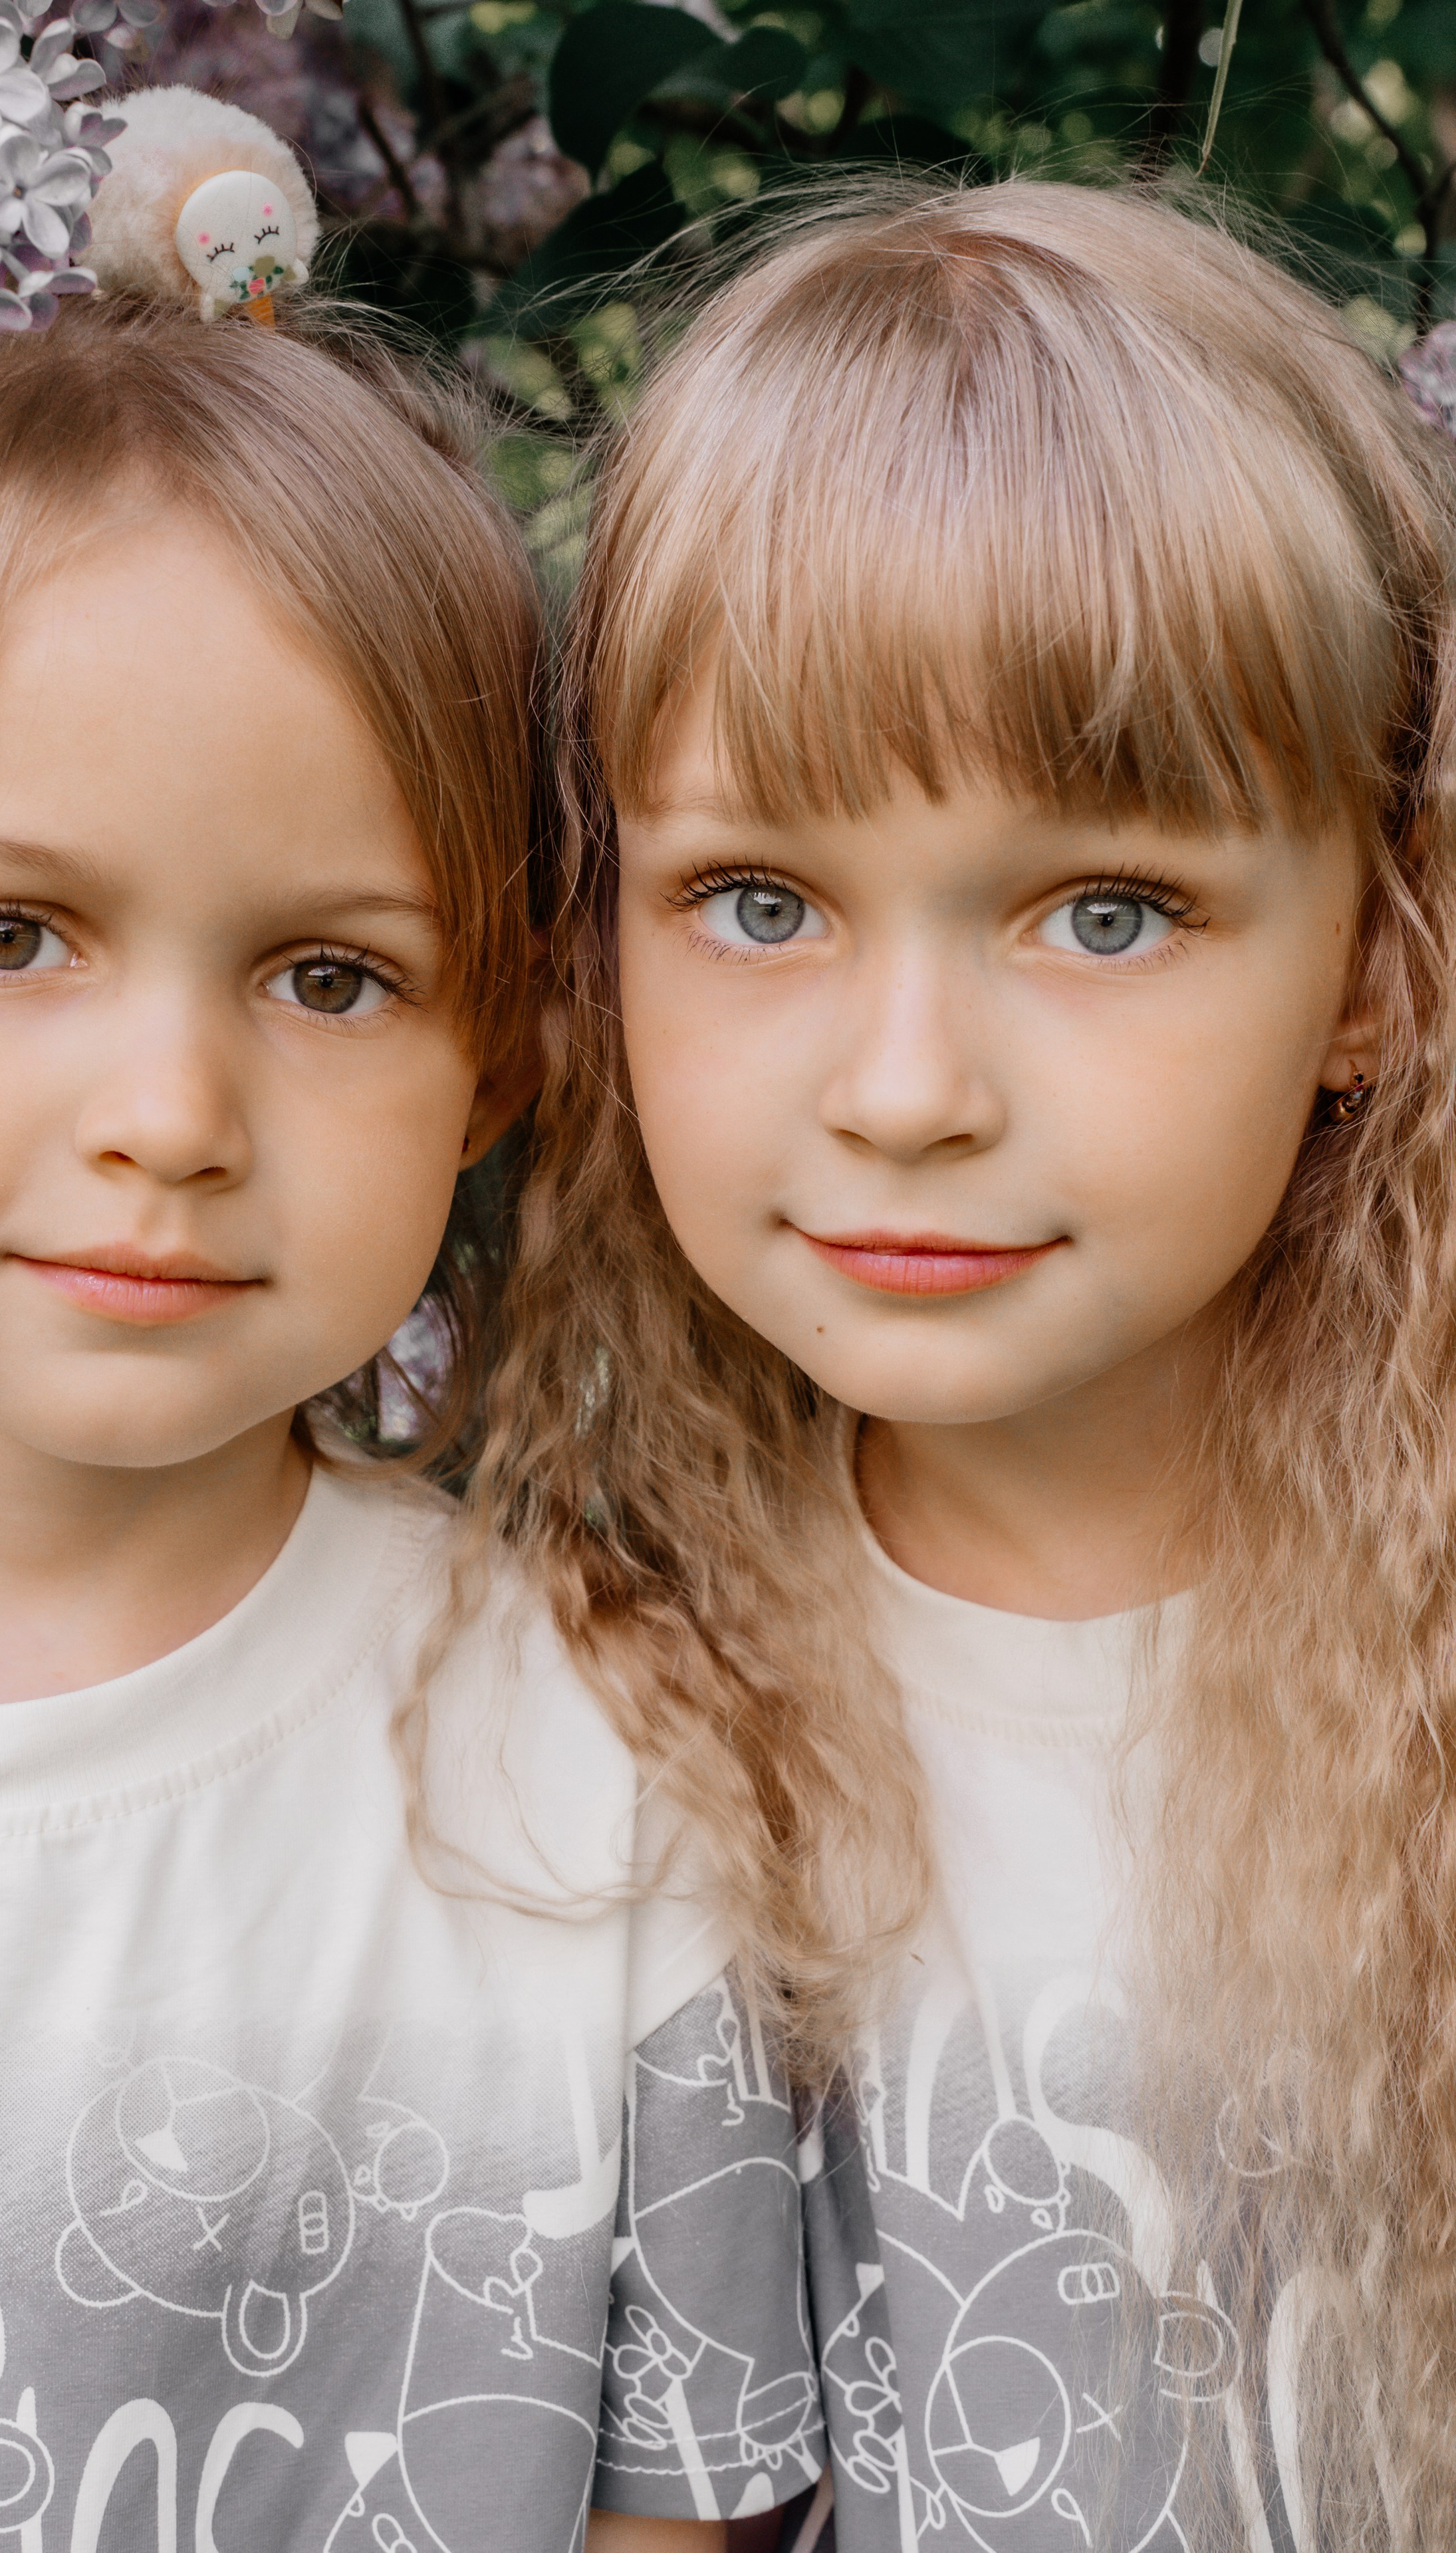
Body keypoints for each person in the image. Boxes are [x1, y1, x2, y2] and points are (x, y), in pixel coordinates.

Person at [0, 120, 819, 2548]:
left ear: (500, 1059)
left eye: (331, 976)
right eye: (6, 932)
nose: (169, 1115)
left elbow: (676, 2509)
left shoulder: (593, 1769)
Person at [477, 179, 1456, 2548]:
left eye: (1105, 911)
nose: (906, 1090)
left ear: (1372, 961)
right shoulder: (580, 1712)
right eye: (760, 902)